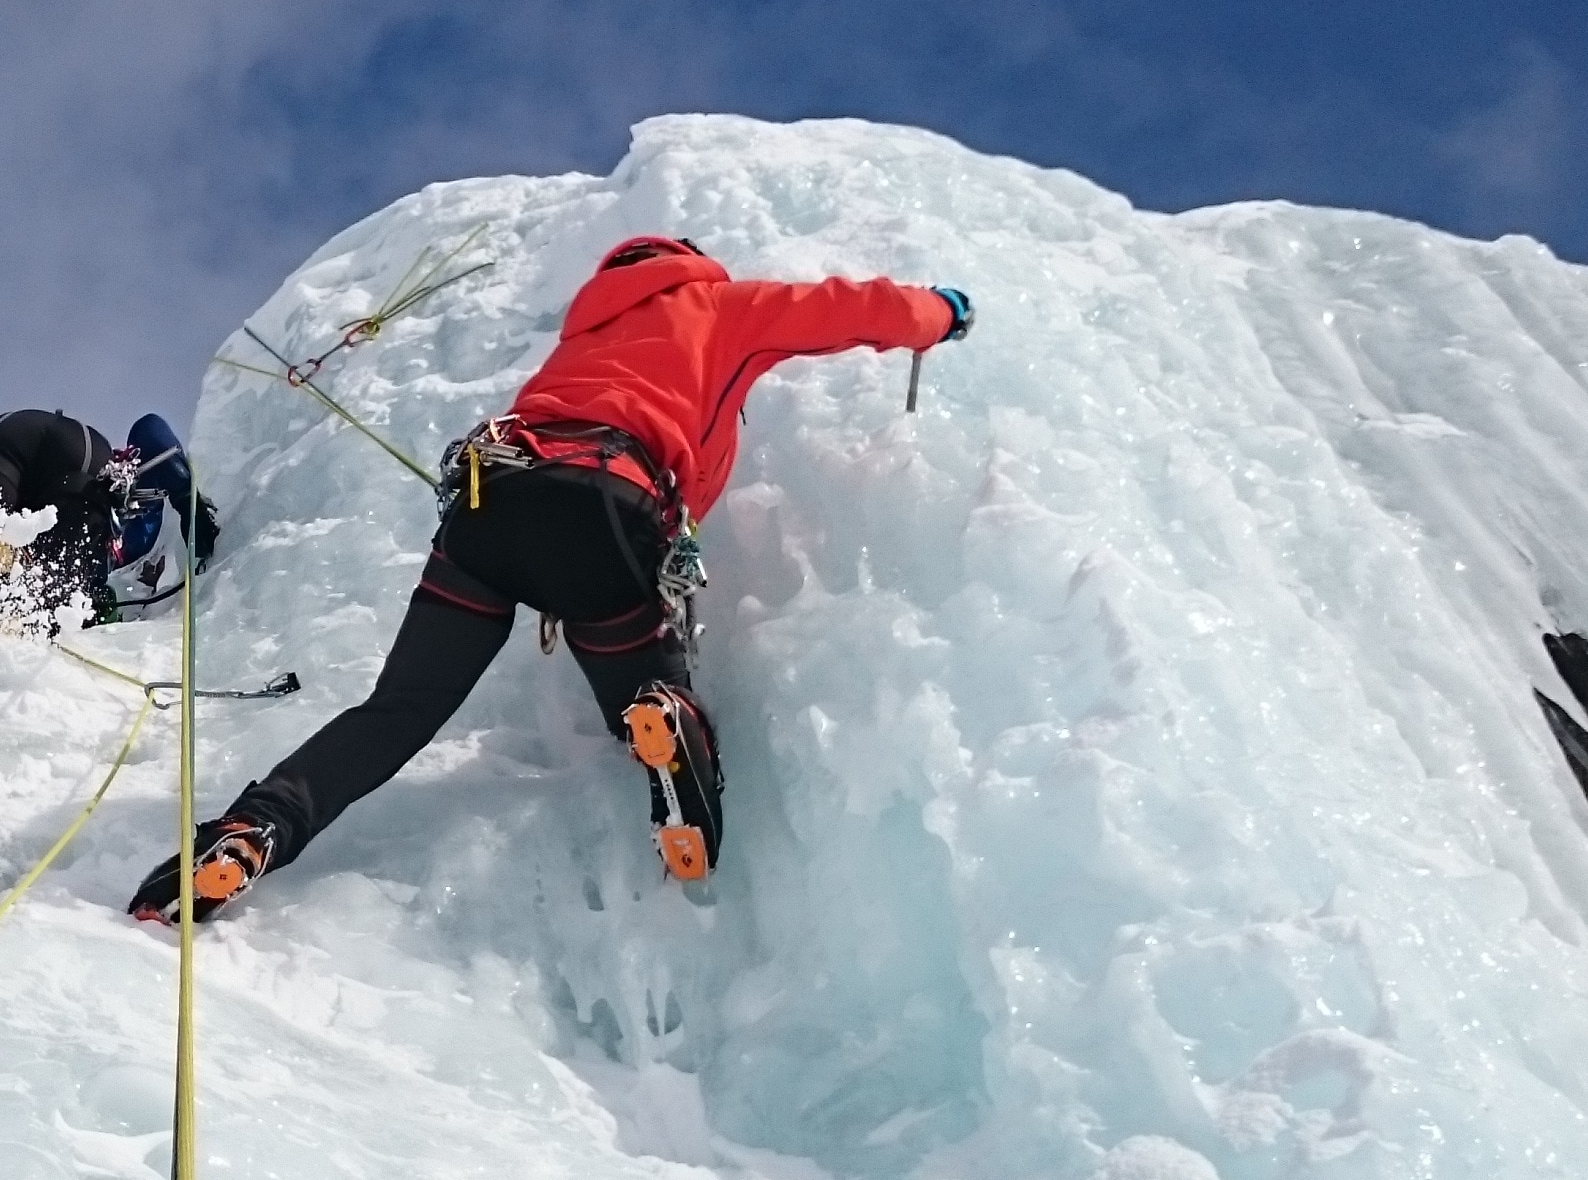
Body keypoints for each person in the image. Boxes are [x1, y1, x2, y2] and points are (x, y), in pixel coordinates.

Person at [132, 236, 970, 920]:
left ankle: (255, 827)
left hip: (493, 503)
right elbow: (850, 311)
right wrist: (941, 313)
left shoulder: (583, 335)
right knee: (642, 690)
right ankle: (661, 715)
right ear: (689, 264)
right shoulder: (721, 304)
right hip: (610, 506)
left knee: (398, 711)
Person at [0, 409, 223, 645]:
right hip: (73, 455)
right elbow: (149, 432)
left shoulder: (133, 538)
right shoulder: (136, 535)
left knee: (19, 579)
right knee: (28, 576)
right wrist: (185, 500)